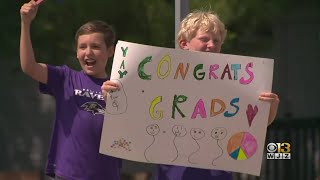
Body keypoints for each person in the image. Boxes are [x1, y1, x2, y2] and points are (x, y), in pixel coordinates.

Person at [151, 10, 280, 180]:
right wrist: (114, 96)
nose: (212, 45)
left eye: (216, 41)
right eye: (204, 39)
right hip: (173, 174)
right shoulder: (163, 82)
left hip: (218, 174)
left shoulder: (234, 84)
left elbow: (251, 128)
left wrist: (270, 108)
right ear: (184, 43)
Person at [20, 1, 121, 179]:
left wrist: (116, 104)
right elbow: (29, 66)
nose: (88, 52)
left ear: (110, 51)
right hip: (67, 175)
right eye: (82, 47)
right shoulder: (65, 78)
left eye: (96, 47)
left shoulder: (119, 88)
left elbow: (132, 134)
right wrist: (25, 23)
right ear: (76, 52)